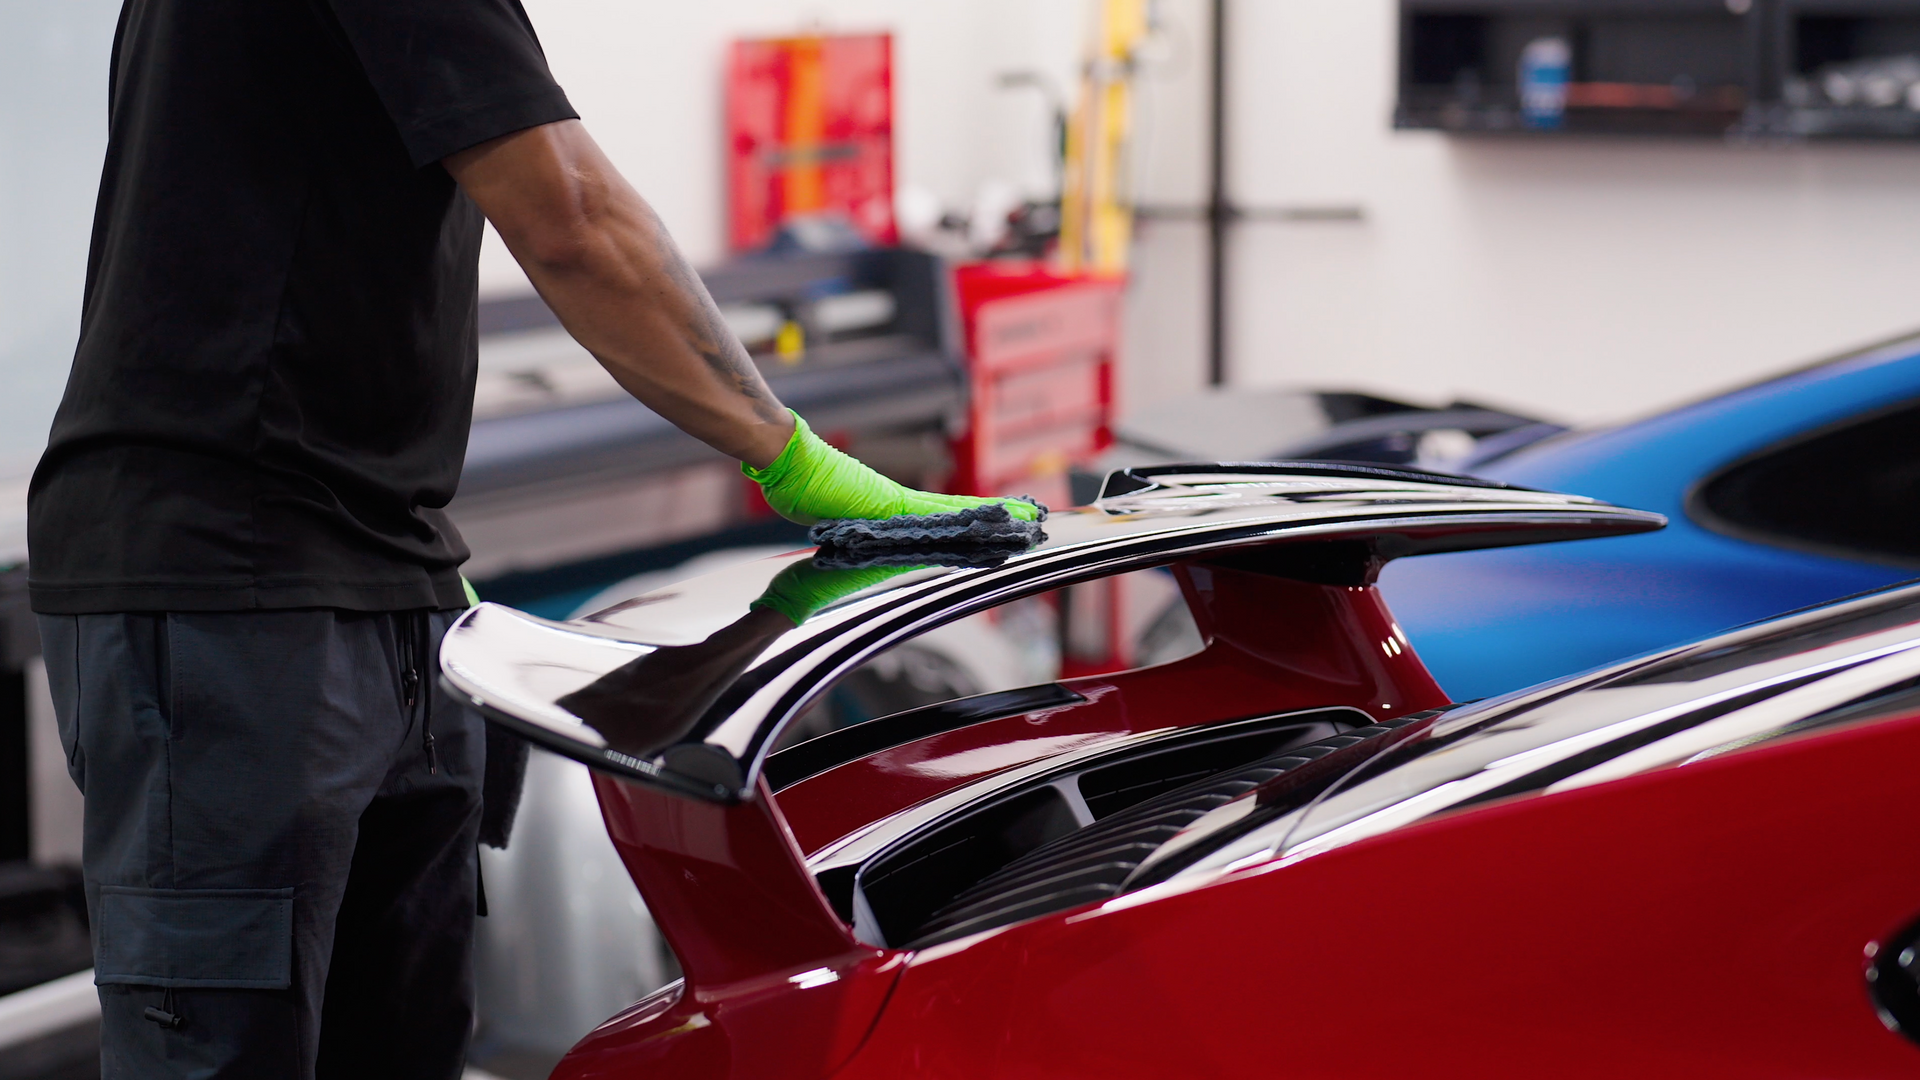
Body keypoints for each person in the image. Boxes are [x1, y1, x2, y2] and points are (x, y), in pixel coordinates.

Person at [25, 3, 1035, 1078]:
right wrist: (794, 463)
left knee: (400, 1043)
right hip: (232, 585)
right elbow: (569, 217)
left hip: (379, 571)